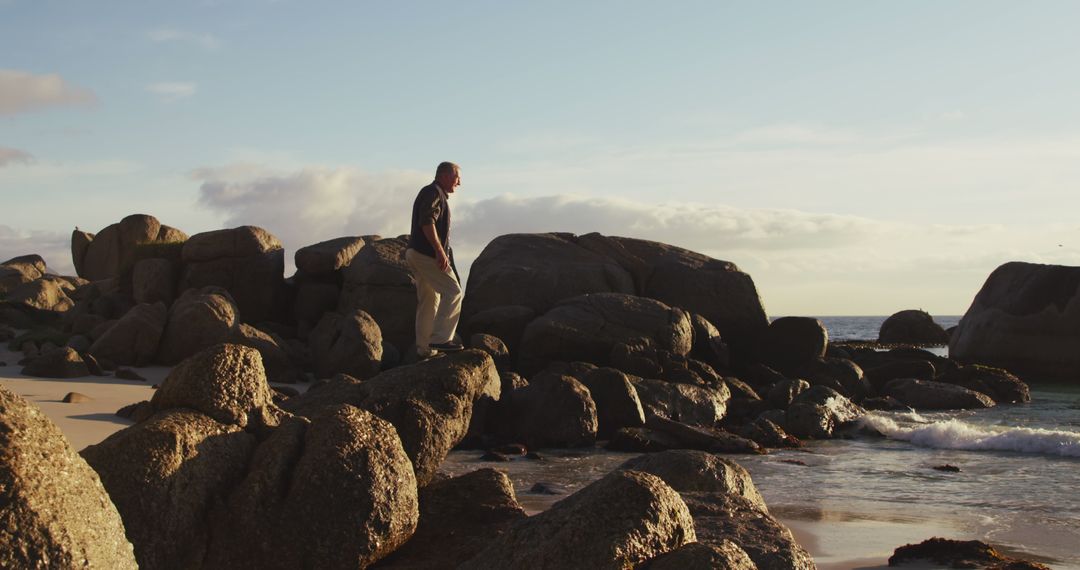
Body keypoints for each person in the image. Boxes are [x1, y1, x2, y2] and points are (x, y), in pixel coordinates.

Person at [405, 161, 464, 357]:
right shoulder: (433, 192)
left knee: (429, 299)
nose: (459, 182)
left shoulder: (433, 192)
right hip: (426, 253)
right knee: (453, 291)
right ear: (445, 176)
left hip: (415, 252)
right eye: (457, 178)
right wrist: (439, 251)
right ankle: (440, 339)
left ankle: (424, 349)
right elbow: (427, 221)